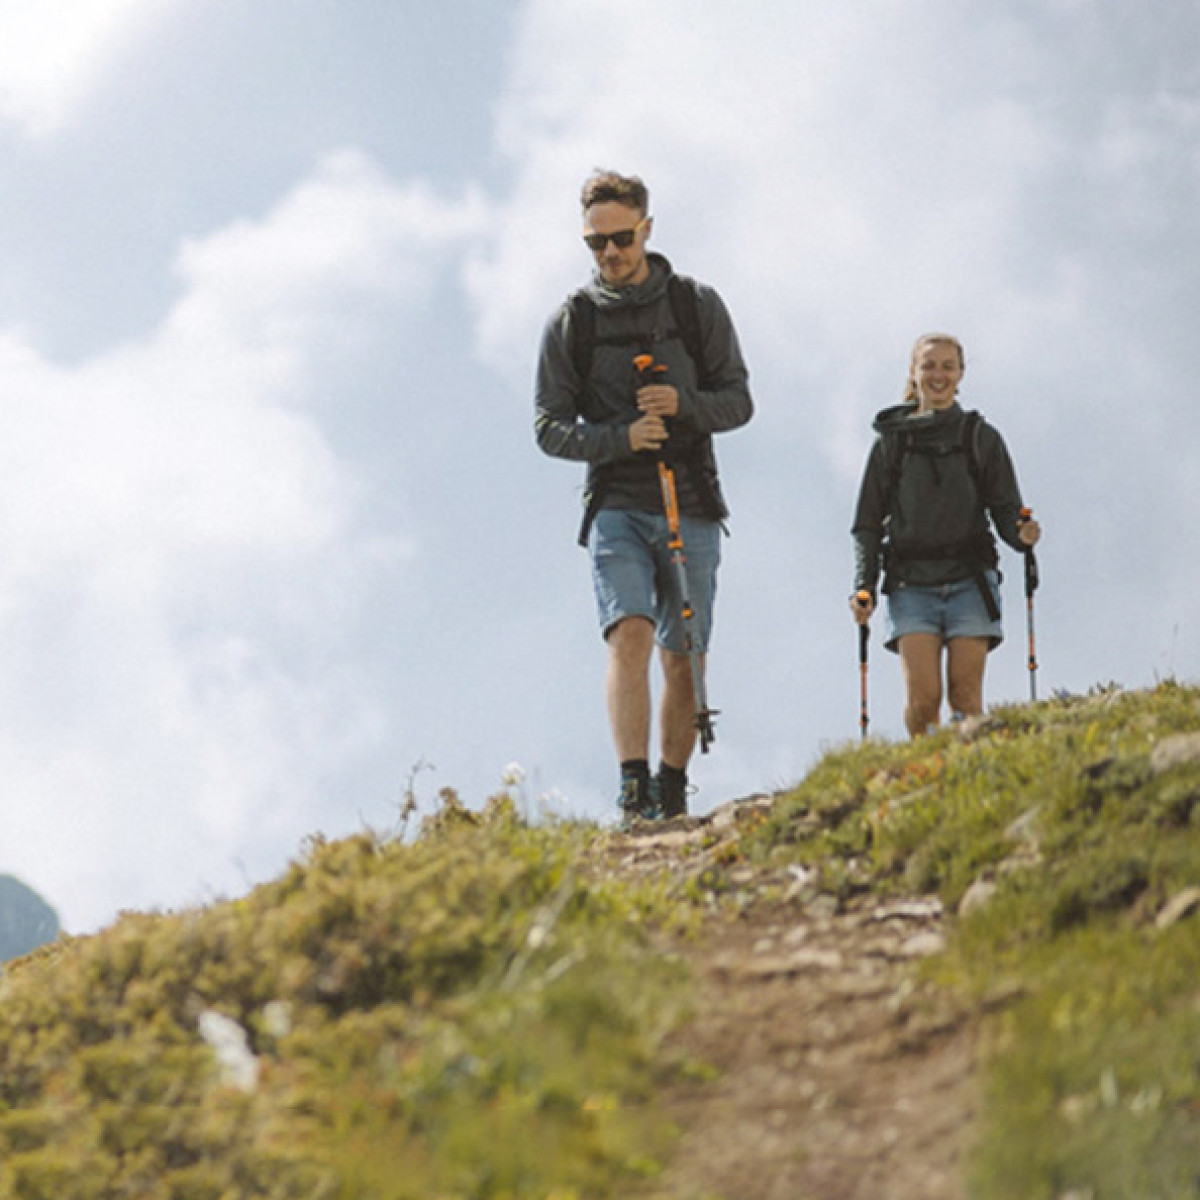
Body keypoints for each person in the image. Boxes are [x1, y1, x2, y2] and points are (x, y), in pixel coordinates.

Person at [535, 169, 753, 825]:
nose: (609, 253)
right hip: (617, 506)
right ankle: (633, 788)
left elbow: (739, 401)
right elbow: (548, 427)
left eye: (621, 238)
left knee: (682, 652)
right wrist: (619, 436)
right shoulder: (570, 324)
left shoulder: (696, 306)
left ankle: (672, 786)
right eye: (595, 243)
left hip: (693, 503)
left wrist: (682, 405)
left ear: (647, 229)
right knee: (628, 635)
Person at [850, 332, 1041, 736]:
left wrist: (1020, 533)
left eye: (947, 366)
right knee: (923, 700)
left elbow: (1005, 508)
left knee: (965, 694)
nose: (938, 374)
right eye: (929, 365)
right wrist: (863, 586)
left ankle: (968, 781)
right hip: (909, 584)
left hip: (970, 580)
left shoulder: (980, 438)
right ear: (914, 372)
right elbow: (867, 523)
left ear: (960, 374)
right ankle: (927, 776)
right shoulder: (891, 443)